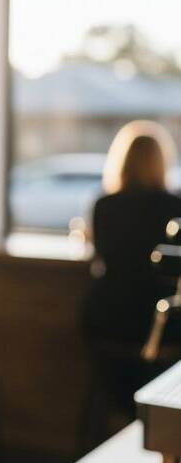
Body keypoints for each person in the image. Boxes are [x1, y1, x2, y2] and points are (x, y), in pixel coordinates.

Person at [80, 120, 181, 419]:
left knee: (115, 383)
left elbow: (100, 256)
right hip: (157, 325)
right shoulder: (174, 207)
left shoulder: (104, 206)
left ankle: (126, 418)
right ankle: (154, 423)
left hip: (106, 318)